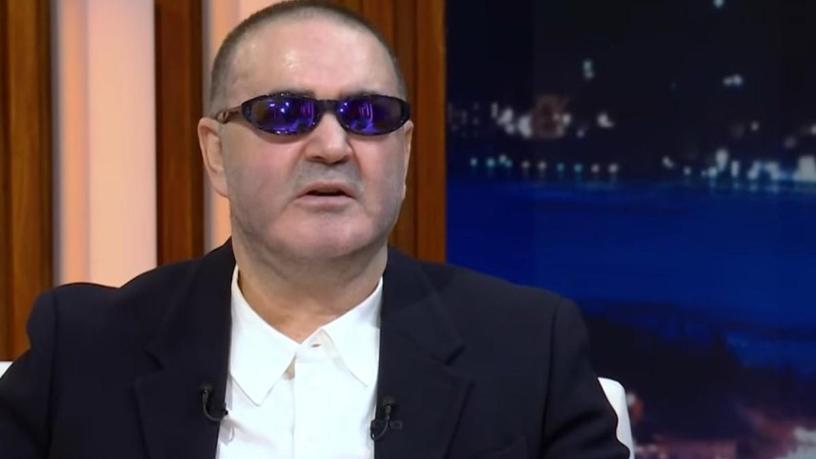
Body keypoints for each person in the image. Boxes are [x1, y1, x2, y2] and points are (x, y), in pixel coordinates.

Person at [0, 1, 629, 458]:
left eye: (368, 115)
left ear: (405, 153)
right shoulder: (84, 351)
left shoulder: (529, 352)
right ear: (215, 152)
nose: (332, 145)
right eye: (284, 114)